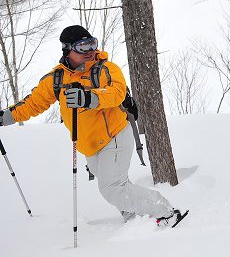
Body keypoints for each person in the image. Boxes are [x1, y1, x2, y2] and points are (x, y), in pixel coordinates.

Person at [0, 25, 183, 226]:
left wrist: (88, 98)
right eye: (82, 46)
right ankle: (135, 218)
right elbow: (33, 103)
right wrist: (6, 117)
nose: (90, 51)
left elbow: (117, 92)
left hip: (114, 136)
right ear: (67, 49)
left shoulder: (105, 69)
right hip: (88, 145)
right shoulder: (57, 79)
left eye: (91, 44)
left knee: (112, 188)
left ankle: (166, 213)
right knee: (117, 185)